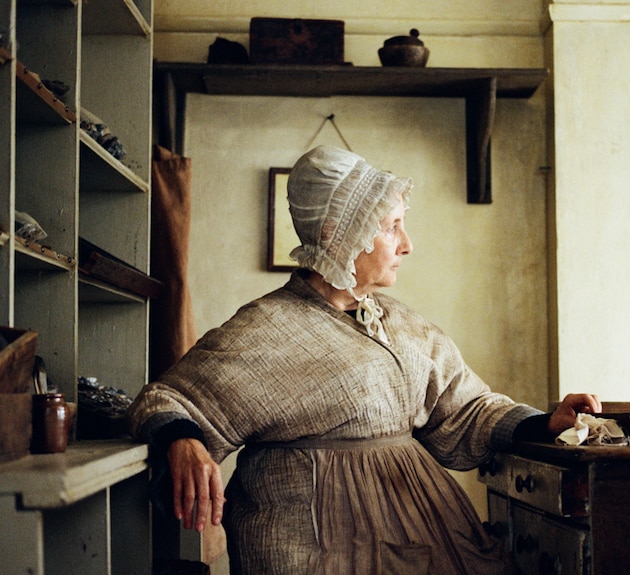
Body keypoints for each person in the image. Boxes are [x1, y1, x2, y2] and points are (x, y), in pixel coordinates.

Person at [127, 145, 601, 575]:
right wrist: (181, 438)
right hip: (315, 550)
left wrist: (544, 422)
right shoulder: (269, 327)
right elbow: (167, 398)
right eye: (392, 226)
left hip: (422, 537)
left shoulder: (399, 321)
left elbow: (464, 410)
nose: (407, 243)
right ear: (340, 232)